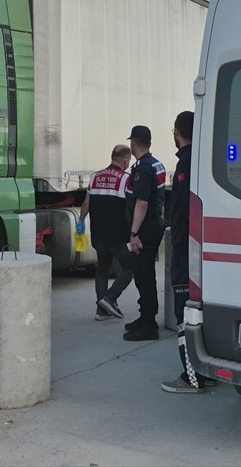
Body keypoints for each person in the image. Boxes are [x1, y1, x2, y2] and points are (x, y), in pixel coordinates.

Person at [160, 111, 215, 393]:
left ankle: (192, 377)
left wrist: (178, 247)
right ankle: (207, 368)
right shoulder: (204, 159)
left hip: (186, 253)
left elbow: (181, 212)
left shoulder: (185, 163)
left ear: (177, 132)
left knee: (184, 316)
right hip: (203, 250)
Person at [77, 145, 136, 321]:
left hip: (98, 234)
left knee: (102, 269)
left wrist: (80, 222)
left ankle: (101, 311)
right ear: (126, 161)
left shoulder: (95, 177)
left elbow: (86, 203)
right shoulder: (126, 178)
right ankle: (110, 298)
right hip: (117, 235)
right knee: (131, 266)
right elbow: (131, 207)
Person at [122, 125, 167, 341]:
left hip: (144, 230)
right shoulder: (155, 164)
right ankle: (145, 317)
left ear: (133, 143)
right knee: (145, 275)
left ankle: (148, 325)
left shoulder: (143, 168)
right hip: (153, 226)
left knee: (144, 277)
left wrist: (133, 233)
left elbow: (141, 203)